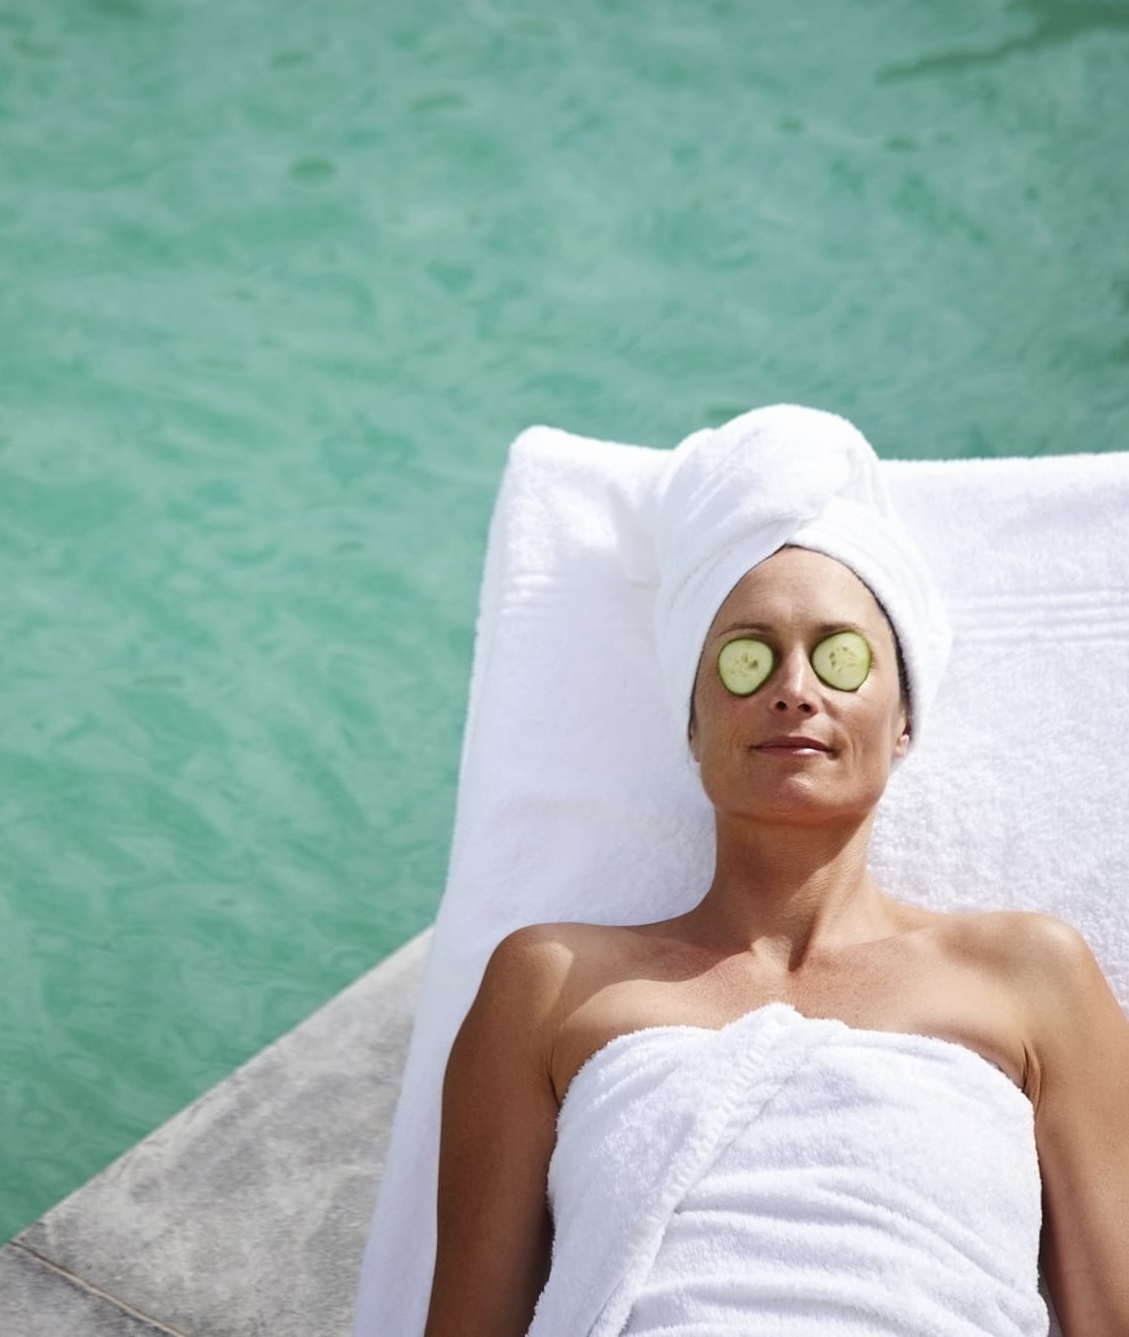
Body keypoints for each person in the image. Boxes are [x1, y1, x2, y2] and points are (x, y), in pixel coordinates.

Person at [421, 410, 1129, 1337]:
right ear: (693, 724)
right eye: (747, 659)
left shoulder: (1031, 973)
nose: (795, 687)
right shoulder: (549, 981)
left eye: (839, 656)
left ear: (903, 718)